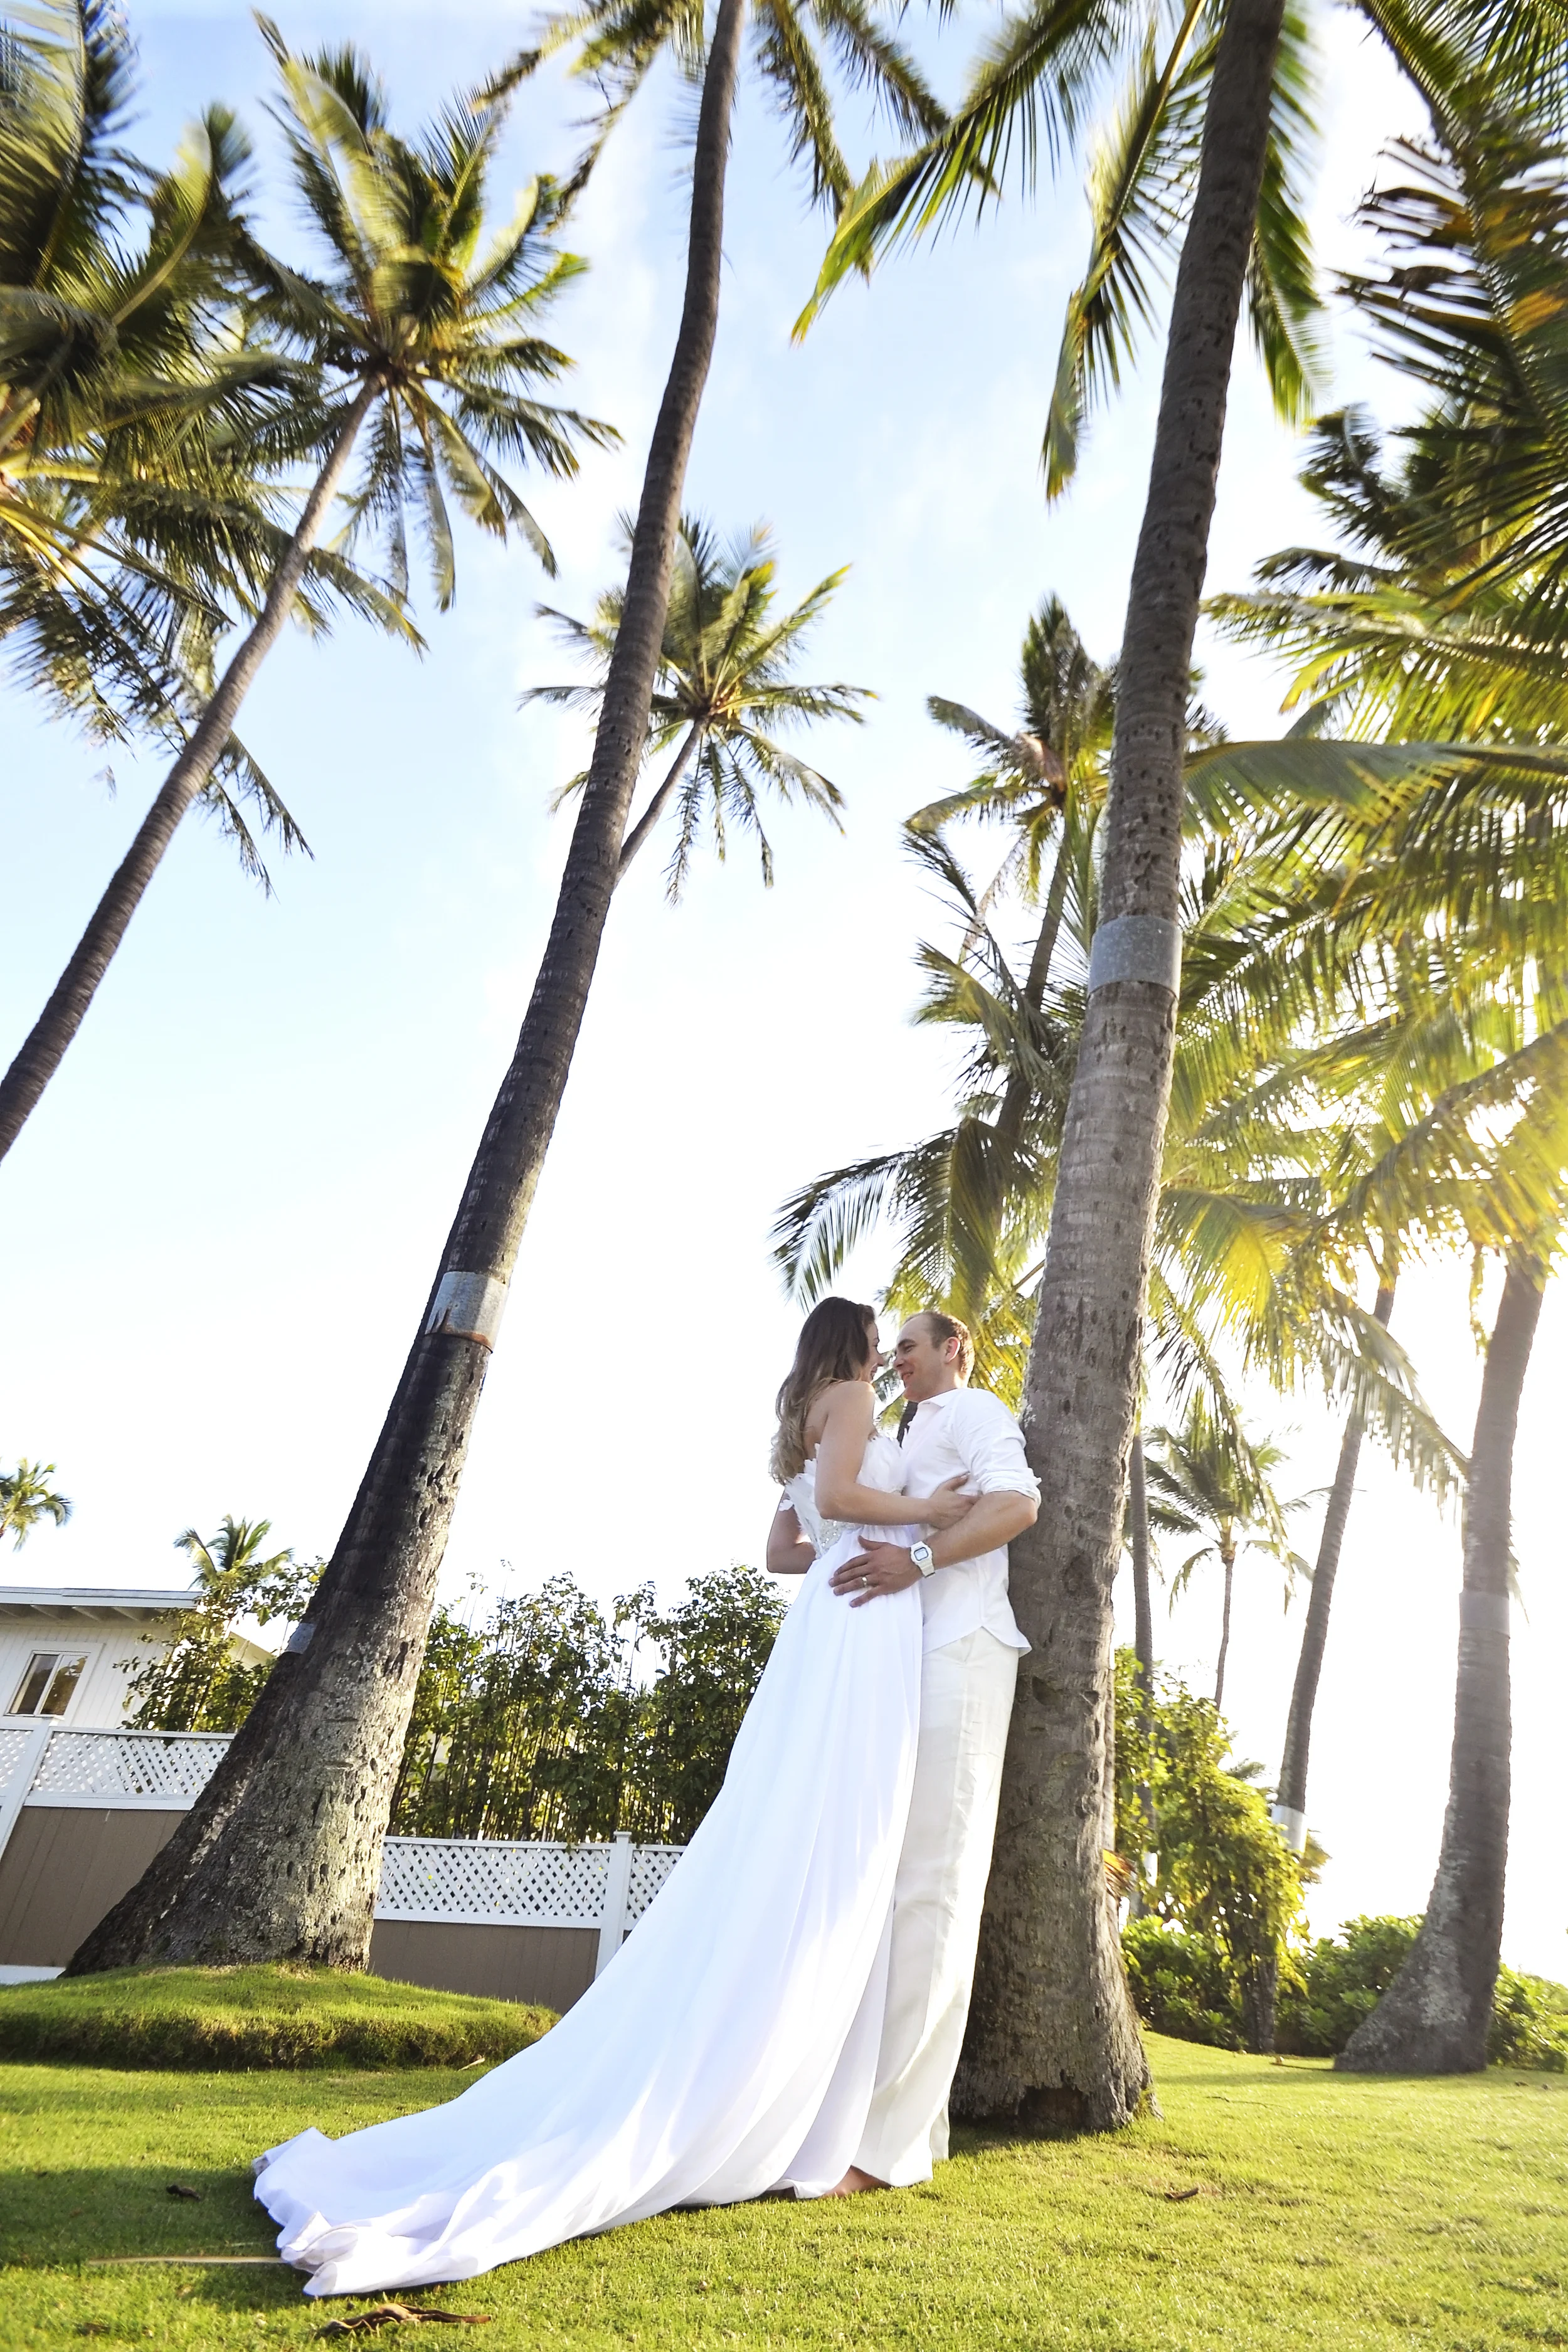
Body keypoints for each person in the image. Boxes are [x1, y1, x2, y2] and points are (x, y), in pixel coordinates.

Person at [253, 1298, 994, 2296]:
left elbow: (784, 1548)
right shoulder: (857, 1397)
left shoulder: (804, 1404)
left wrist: (843, 1548)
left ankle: (814, 2086)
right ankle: (799, 2096)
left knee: (802, 1823)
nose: (888, 1348)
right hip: (865, 1618)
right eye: (880, 1334)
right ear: (857, 1344)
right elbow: (845, 1497)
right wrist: (930, 1518)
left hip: (832, 1615)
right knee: (841, 1834)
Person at [826, 1310, 1038, 2193]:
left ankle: (882, 2152)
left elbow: (1017, 1502)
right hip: (908, 1664)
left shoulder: (979, 1407)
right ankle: (907, 2124)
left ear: (955, 1347)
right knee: (894, 1886)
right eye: (894, 1346)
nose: (897, 1357)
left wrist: (917, 1554)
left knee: (935, 1889)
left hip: (964, 1647)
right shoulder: (906, 1430)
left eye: (911, 1343)